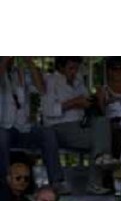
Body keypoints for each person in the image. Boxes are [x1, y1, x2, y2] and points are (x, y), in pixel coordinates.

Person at [42, 57, 114, 194]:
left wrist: (97, 98)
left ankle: (100, 169)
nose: (74, 72)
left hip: (81, 125)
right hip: (59, 127)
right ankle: (97, 179)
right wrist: (73, 103)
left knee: (103, 123)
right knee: (101, 141)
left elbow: (88, 103)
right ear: (61, 67)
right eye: (71, 68)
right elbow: (48, 111)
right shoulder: (50, 81)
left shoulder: (79, 80)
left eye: (76, 68)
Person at [0, 57, 65, 192]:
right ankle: (4, 182)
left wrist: (29, 61)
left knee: (47, 133)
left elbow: (41, 88)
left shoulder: (21, 72)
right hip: (4, 127)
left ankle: (56, 181)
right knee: (2, 136)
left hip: (24, 128)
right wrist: (5, 60)